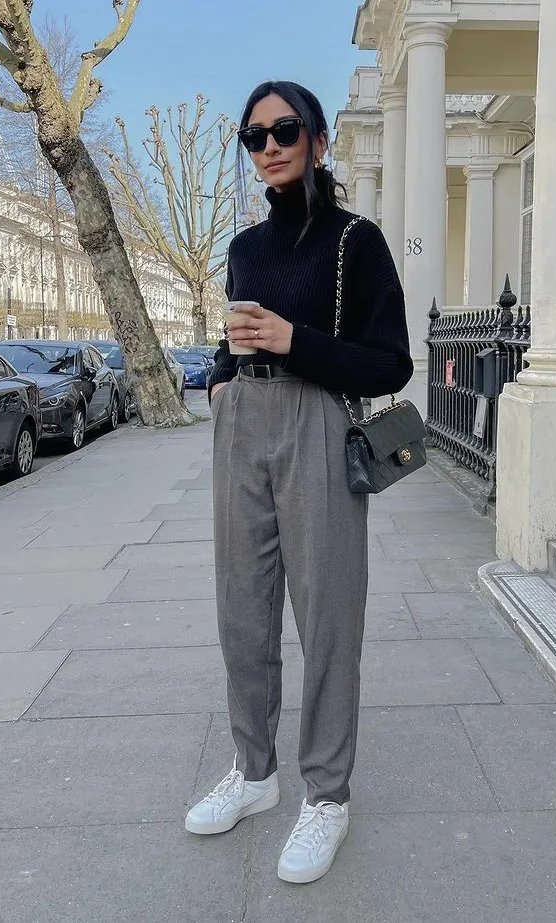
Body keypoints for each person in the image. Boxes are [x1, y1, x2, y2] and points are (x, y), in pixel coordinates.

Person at [184, 81, 413, 884]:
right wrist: (221, 379)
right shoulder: (244, 248)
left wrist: (294, 340)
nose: (270, 146)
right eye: (254, 136)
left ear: (318, 139)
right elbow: (234, 333)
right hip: (242, 423)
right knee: (241, 607)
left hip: (317, 419)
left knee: (327, 616)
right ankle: (254, 771)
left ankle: (326, 794)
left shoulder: (355, 240)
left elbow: (390, 364)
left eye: (284, 130)